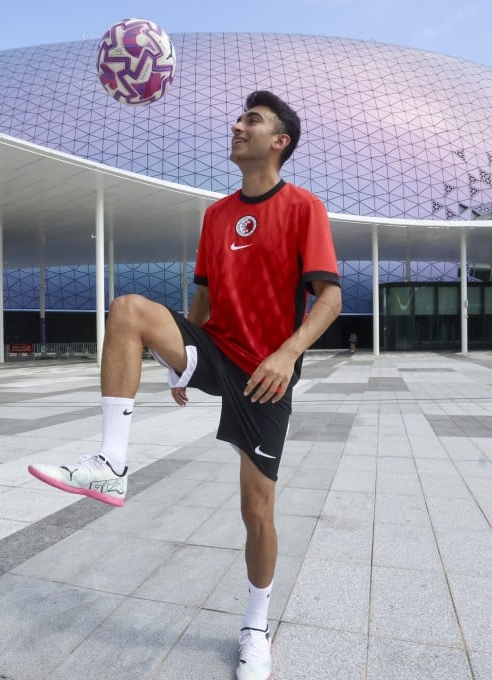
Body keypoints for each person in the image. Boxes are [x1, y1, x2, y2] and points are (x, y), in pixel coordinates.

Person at [29, 91, 341, 680]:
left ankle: (255, 627)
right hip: (216, 350)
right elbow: (200, 294)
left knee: (257, 510)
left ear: (280, 142)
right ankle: (112, 463)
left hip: (266, 374)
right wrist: (179, 358)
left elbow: (330, 296)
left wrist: (288, 353)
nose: (237, 125)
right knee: (127, 309)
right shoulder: (216, 214)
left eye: (252, 121)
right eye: (239, 117)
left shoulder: (304, 208)